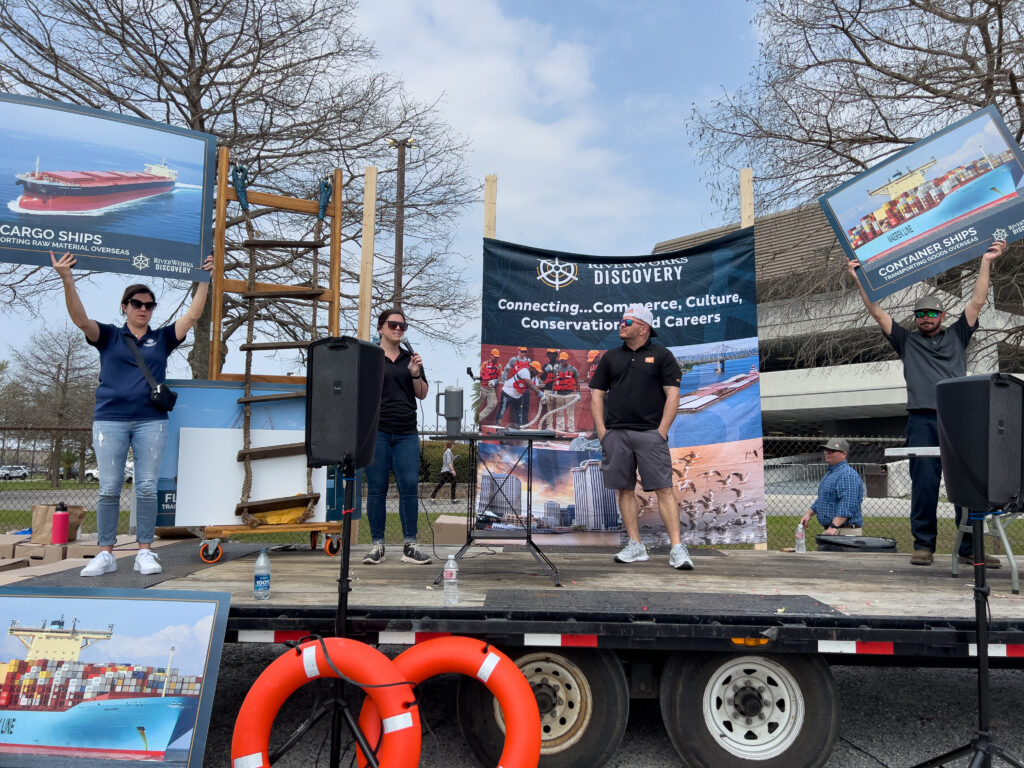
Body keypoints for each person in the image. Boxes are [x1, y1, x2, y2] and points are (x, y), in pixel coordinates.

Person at [52, 250, 213, 577]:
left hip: (150, 422)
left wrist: (204, 281)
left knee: (146, 487)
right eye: (137, 304)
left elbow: (193, 316)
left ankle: (144, 552)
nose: (143, 309)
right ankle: (106, 553)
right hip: (108, 421)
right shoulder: (109, 335)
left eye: (149, 305)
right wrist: (67, 278)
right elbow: (81, 319)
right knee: (109, 488)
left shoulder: (162, 338)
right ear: (124, 307)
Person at [850, 240, 1006, 566]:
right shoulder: (905, 341)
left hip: (959, 420)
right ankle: (924, 545)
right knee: (924, 483)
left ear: (941, 315)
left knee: (969, 482)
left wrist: (986, 260)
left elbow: (977, 300)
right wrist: (859, 278)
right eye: (920, 314)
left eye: (931, 313)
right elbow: (877, 312)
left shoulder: (958, 335)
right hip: (922, 420)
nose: (925, 318)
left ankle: (970, 548)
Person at [590, 304, 692, 570]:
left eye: (627, 321)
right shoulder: (611, 357)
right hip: (616, 433)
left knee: (664, 489)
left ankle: (677, 549)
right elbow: (596, 395)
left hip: (650, 433)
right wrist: (603, 432)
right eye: (621, 321)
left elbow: (673, 394)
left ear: (643, 328)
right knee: (624, 488)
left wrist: (661, 432)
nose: (621, 325)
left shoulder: (662, 355)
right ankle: (635, 545)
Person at [363, 308, 431, 565]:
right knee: (377, 490)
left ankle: (410, 545)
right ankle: (377, 545)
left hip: (406, 433)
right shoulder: (370, 357)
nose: (399, 329)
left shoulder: (409, 358)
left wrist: (414, 373)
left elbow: (422, 393)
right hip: (377, 432)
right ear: (381, 328)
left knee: (409, 488)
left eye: (403, 326)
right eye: (393, 324)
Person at [800, 438, 864, 536]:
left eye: (832, 451)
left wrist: (834, 526)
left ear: (843, 454)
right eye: (826, 450)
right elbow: (824, 499)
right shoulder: (831, 473)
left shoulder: (847, 474)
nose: (827, 453)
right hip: (834, 529)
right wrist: (808, 514)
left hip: (844, 531)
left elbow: (847, 504)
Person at [496, 360, 545, 427]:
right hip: (507, 393)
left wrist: (544, 396)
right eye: (536, 371)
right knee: (502, 409)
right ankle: (498, 424)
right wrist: (540, 393)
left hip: (518, 396)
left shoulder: (535, 378)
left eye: (538, 371)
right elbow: (530, 384)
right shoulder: (524, 371)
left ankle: (518, 428)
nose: (537, 373)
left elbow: (536, 389)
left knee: (519, 414)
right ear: (531, 368)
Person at [550, 352, 581, 431]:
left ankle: (571, 429)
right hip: (559, 394)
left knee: (570, 412)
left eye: (564, 360)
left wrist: (578, 393)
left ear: (567, 360)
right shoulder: (557, 369)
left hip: (569, 394)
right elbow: (554, 381)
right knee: (559, 412)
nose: (562, 362)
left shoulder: (573, 369)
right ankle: (560, 429)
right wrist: (552, 391)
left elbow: (577, 381)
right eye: (561, 361)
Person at [479, 349, 501, 423]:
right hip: (482, 387)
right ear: (491, 356)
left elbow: (499, 377)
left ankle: (479, 418)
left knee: (493, 403)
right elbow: (480, 374)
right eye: (495, 357)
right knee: (477, 403)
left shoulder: (499, 366)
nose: (496, 358)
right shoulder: (484, 364)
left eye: (497, 357)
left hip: (491, 388)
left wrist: (495, 381)